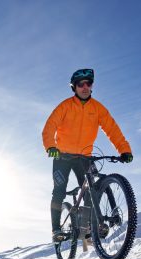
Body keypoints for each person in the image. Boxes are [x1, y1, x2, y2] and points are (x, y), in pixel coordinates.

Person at [41, 68, 133, 243]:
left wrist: (124, 149)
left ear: (92, 86)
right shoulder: (65, 106)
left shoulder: (98, 109)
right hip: (62, 157)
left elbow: (112, 130)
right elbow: (49, 127)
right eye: (80, 84)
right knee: (59, 191)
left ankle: (87, 228)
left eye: (88, 83)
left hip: (85, 157)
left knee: (93, 189)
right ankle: (56, 229)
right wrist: (51, 146)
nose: (84, 87)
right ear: (74, 87)